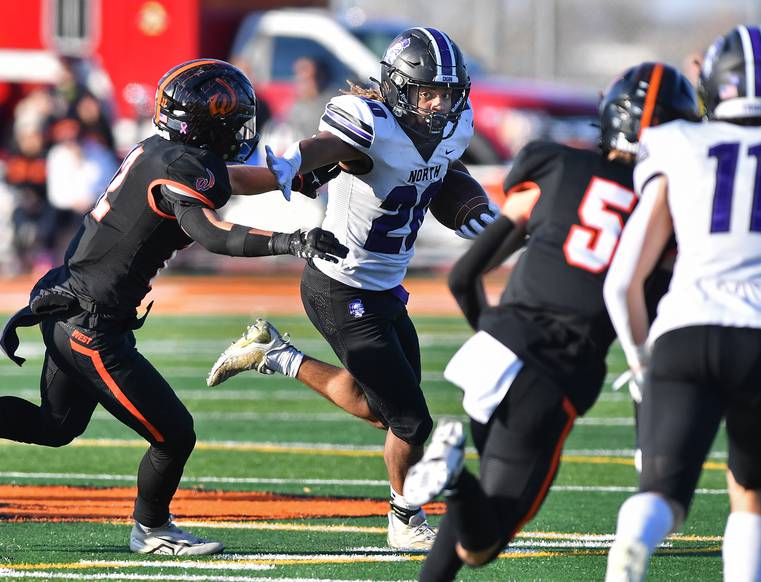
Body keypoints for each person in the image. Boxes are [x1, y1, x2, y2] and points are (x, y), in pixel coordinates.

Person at [0, 58, 346, 556]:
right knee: (174, 434)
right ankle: (153, 528)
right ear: (207, 121)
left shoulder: (161, 151)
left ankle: (153, 526)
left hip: (66, 306)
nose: (239, 125)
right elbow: (211, 232)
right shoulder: (180, 165)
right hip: (90, 326)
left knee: (54, 428)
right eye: (231, 116)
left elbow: (224, 180)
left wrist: (289, 178)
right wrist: (291, 242)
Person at [399, 62, 699, 580]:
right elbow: (648, 340)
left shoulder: (556, 167)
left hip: (491, 354)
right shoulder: (669, 213)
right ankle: (451, 480)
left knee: (478, 518)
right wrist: (646, 437)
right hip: (554, 372)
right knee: (487, 539)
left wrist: (500, 336)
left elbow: (463, 278)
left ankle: (451, 484)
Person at [206, 28, 499, 550]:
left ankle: (276, 356)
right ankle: (404, 520)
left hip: (384, 287)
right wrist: (297, 160)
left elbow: (438, 173)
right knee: (410, 422)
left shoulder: (454, 127)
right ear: (396, 88)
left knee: (379, 406)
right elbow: (333, 147)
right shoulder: (368, 122)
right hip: (340, 286)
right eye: (427, 92)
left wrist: (468, 205)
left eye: (447, 94)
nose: (437, 105)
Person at [603, 26, 761, 582]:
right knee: (752, 486)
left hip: (684, 331)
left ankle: (635, 542)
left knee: (663, 493)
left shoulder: (679, 144)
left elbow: (622, 282)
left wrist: (643, 360)